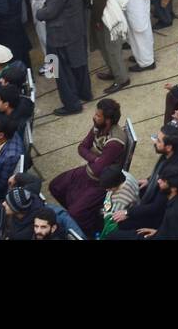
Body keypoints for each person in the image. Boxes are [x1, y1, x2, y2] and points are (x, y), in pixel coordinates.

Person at [47, 99, 128, 237]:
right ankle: (80, 217)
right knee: (55, 186)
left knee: (75, 213)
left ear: (107, 120)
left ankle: (88, 231)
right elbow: (81, 147)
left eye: (98, 115)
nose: (94, 117)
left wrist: (93, 159)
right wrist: (95, 159)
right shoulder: (98, 126)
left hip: (100, 183)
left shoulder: (115, 141)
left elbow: (98, 170)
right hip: (87, 171)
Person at [33, 0, 91, 116]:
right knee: (79, 63)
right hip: (75, 30)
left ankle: (71, 104)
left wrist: (39, 11)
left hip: (58, 36)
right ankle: (84, 93)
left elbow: (49, 12)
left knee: (59, 71)